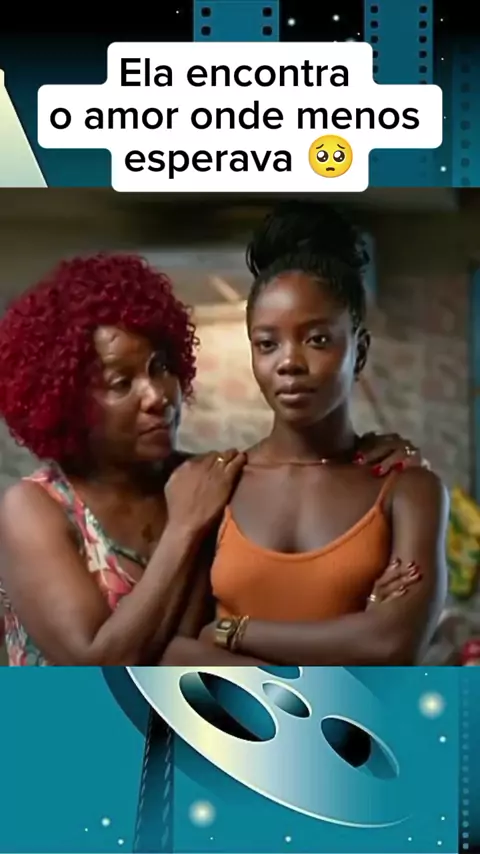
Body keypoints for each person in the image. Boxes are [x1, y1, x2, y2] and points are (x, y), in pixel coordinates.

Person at [0, 251, 429, 666]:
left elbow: (220, 643)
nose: (156, 395)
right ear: (66, 401)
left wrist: (367, 615)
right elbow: (98, 669)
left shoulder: (210, 479)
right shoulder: (34, 509)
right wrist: (183, 529)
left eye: (160, 367)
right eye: (120, 383)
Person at [168, 202, 448, 666]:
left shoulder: (407, 489)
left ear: (359, 352)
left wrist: (233, 631)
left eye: (317, 339)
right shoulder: (217, 484)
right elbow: (172, 655)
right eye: (267, 343)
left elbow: (391, 644)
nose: (289, 363)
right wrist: (347, 642)